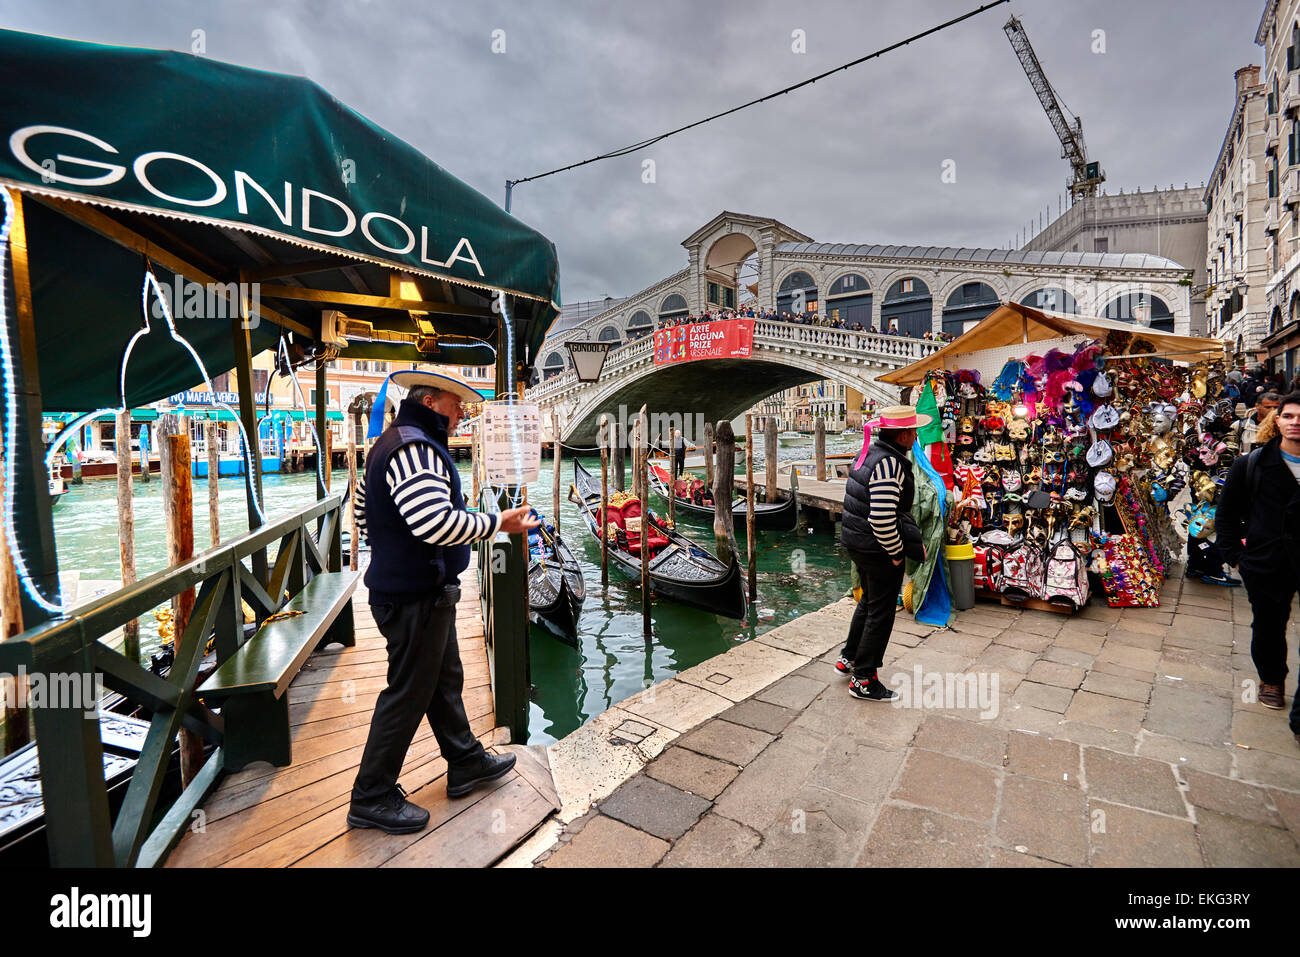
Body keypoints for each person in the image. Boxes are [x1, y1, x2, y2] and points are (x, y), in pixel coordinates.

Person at [348, 370, 541, 833]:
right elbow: (434, 524)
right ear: (431, 401)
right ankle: (371, 795)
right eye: (457, 405)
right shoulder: (415, 448)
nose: (462, 414)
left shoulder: (389, 441)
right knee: (408, 692)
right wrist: (498, 523)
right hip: (413, 594)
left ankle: (464, 760)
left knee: (442, 678)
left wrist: (396, 548)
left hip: (416, 590)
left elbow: (358, 511)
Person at [1216, 390, 1300, 736]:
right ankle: (1271, 678)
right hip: (1268, 560)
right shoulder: (1250, 463)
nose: (1296, 424)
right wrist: (1237, 557)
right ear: (1276, 420)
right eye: (1290, 416)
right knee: (1268, 625)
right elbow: (1227, 514)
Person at [836, 406, 929, 700]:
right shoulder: (889, 465)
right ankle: (864, 679)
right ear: (902, 436)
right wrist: (896, 553)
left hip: (857, 541)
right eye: (913, 431)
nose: (916, 436)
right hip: (875, 547)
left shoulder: (869, 453)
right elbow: (882, 518)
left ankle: (849, 658)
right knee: (881, 612)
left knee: (868, 604)